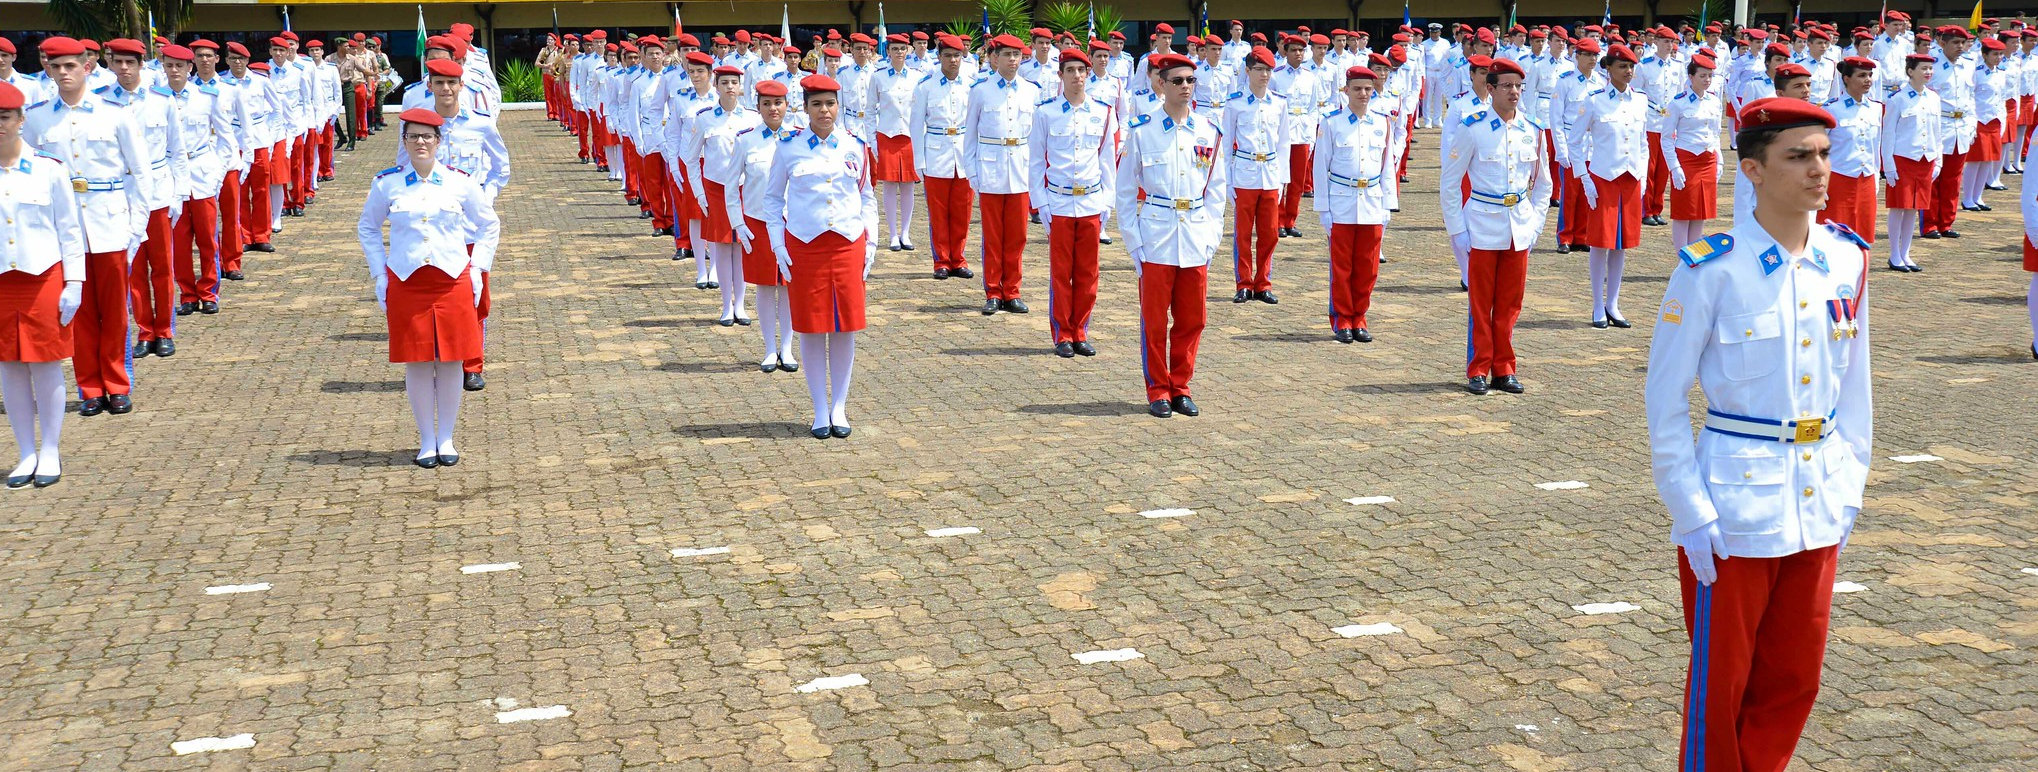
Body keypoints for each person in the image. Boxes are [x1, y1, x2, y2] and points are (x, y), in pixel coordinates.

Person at [1645, 97, 1872, 772]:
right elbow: (1664, 398)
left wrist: (1851, 485)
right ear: (1752, 169)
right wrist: (1689, 511)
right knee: (1723, 689)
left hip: (1817, 499)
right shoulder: (1712, 266)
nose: (1818, 171)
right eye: (1798, 157)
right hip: (1734, 508)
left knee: (1794, 681)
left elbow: (1855, 389)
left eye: (1824, 155)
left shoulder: (1846, 261)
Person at [356, 108, 500, 468]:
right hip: (407, 280)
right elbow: (368, 227)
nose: (420, 142)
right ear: (404, 141)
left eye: (427, 136)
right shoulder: (386, 183)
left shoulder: (459, 181)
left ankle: (447, 437)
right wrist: (380, 273)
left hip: (451, 279)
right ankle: (426, 440)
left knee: (451, 359)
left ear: (439, 141)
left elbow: (488, 225)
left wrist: (479, 268)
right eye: (413, 136)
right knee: (418, 361)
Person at [23, 36, 156, 416]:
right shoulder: (37, 118)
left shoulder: (114, 113)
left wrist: (136, 225)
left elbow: (140, 173)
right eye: (56, 66)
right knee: (76, 309)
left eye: (70, 66)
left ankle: (116, 383)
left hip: (110, 221)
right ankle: (89, 387)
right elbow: (30, 172)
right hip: (62, 230)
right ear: (47, 68)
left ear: (86, 66)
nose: (64, 73)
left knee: (114, 309)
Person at [761, 74, 878, 439]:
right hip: (805, 246)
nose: (824, 111)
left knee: (845, 327)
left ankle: (840, 407)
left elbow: (867, 197)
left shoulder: (855, 145)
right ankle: (818, 410)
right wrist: (778, 245)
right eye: (816, 104)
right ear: (805, 107)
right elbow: (771, 200)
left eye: (830, 104)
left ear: (837, 106)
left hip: (846, 244)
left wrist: (871, 243)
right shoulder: (788, 147)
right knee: (811, 328)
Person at [1115, 53, 1224, 419]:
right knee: (1155, 320)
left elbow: (1216, 191)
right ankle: (1158, 389)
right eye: (1177, 81)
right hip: (1157, 235)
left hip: (1194, 235)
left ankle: (1181, 386)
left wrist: (1212, 238)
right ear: (1160, 85)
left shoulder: (1209, 130)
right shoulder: (1142, 130)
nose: (1185, 87)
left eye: (1191, 81)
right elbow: (1126, 192)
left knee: (1193, 318)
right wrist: (1135, 242)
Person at [1441, 58, 1549, 393]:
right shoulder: (1473, 127)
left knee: (1510, 304)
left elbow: (1543, 184)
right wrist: (1458, 231)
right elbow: (1449, 182)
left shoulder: (1532, 129)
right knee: (1481, 301)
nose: (1514, 92)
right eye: (1506, 86)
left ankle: (1504, 368)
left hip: (1518, 225)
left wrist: (1536, 225)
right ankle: (1478, 367)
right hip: (1482, 225)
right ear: (1490, 89)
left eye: (1518, 86)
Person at [0, 81, 85, 488]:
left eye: (5, 117)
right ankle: (25, 453)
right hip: (2, 281)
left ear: (20, 120)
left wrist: (75, 283)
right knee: (10, 368)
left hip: (43, 277)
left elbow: (70, 230)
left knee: (46, 364)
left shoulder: (48, 169)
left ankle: (50, 449)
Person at [412, 58, 509, 391]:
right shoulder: (420, 127)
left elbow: (501, 168)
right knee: (435, 295)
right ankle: (443, 360)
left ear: (461, 86)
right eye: (439, 83)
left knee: (475, 296)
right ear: (430, 86)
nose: (446, 89)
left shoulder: (480, 125)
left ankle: (473, 364)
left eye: (452, 83)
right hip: (434, 227)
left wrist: (485, 198)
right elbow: (404, 168)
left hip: (471, 228)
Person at [1028, 47, 1115, 358]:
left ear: (1088, 74)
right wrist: (1042, 204)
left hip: (1091, 201)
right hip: (1060, 202)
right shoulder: (1045, 113)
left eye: (1082, 70)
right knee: (1061, 272)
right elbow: (1036, 162)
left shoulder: (1103, 112)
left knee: (1088, 273)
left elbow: (1107, 160)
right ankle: (1063, 333)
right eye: (1071, 70)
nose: (1077, 76)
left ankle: (1080, 330)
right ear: (1060, 75)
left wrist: (1108, 202)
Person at [104, 38, 188, 358]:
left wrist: (179, 193)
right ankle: (145, 330)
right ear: (110, 64)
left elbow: (176, 150)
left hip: (157, 192)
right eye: (118, 62)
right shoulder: (102, 102)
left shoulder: (161, 100)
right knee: (134, 266)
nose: (124, 69)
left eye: (131, 62)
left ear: (142, 65)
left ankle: (165, 329)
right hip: (121, 194)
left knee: (162, 266)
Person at [1314, 64, 1407, 346]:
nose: (1363, 94)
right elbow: (1320, 168)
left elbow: (1388, 167)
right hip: (1341, 201)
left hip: (1371, 202)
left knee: (1368, 267)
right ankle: (1343, 318)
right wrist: (1324, 210)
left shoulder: (1382, 123)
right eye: (1357, 89)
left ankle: (1360, 317)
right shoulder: (1331, 123)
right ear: (1346, 91)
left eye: (1368, 89)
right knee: (1342, 266)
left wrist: (1388, 206)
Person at [1572, 43, 1649, 329]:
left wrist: (1642, 177)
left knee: (1621, 244)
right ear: (1608, 69)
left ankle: (1613, 303)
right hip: (1603, 177)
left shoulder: (1640, 99)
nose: (1628, 71)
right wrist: (1584, 177)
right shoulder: (1594, 100)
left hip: (1630, 178)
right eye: (1622, 67)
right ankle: (1596, 305)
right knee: (1600, 243)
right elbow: (1575, 141)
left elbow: (1643, 142)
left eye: (1631, 66)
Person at [964, 34, 1042, 315]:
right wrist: (972, 173)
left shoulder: (1031, 91)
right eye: (1007, 54)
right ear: (995, 57)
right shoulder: (981, 91)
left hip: (1020, 169)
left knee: (1018, 236)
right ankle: (993, 291)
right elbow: (969, 135)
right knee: (993, 235)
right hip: (990, 169)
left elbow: (1038, 138)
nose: (1012, 60)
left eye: (1017, 55)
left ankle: (1013, 291)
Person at [160, 44, 237, 321]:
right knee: (179, 242)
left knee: (207, 238)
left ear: (189, 67)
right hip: (171, 176)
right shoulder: (156, 99)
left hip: (202, 172)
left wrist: (217, 173)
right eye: (169, 65)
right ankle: (188, 294)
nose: (174, 71)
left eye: (180, 66)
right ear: (163, 67)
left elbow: (226, 139)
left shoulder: (207, 97)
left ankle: (208, 292)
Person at [730, 80, 800, 373]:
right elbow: (730, 185)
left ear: (787, 105)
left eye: (778, 103)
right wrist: (738, 222)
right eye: (767, 104)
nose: (773, 109)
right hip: (758, 222)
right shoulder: (746, 140)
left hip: (792, 223)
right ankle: (769, 349)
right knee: (764, 287)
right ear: (758, 107)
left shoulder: (799, 138)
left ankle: (788, 348)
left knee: (789, 288)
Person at [686, 64, 761, 326]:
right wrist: (699, 193)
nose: (730, 87)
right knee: (721, 248)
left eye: (734, 82)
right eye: (725, 82)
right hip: (716, 189)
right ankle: (725, 306)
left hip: (744, 189)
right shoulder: (705, 117)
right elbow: (691, 158)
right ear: (716, 86)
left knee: (741, 247)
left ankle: (740, 304)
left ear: (741, 88)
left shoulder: (753, 118)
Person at [1222, 49, 1290, 305]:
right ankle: (1243, 283)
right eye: (1259, 69)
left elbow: (1284, 143)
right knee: (1242, 234)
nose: (1264, 75)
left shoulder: (1279, 102)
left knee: (1270, 233)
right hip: (1245, 172)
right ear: (1247, 71)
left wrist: (1283, 179)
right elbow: (1227, 144)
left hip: (1270, 173)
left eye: (1268, 70)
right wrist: (1228, 180)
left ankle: (1263, 282)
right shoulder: (1235, 103)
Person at [910, 35, 976, 280]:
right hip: (936, 153)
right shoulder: (926, 85)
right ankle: (942, 261)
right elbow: (916, 125)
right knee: (938, 213)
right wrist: (919, 161)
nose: (952, 60)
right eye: (947, 55)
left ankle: (958, 258)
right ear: (938, 58)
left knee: (963, 211)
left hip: (963, 153)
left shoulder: (971, 84)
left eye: (956, 55)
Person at [1882, 55, 1942, 272]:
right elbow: (1888, 134)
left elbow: (1937, 132)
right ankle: (1894, 254)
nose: (1928, 72)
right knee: (1899, 207)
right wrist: (1888, 164)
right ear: (1910, 71)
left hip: (1926, 159)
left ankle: (1906, 253)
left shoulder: (1934, 97)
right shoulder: (1897, 99)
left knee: (1914, 209)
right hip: (1903, 159)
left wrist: (1939, 161)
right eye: (1923, 68)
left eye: (1930, 69)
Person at [1661, 55, 1724, 249]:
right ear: (1691, 77)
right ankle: (1682, 258)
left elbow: (1715, 134)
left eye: (1710, 76)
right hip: (1687, 160)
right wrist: (1674, 167)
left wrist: (1719, 160)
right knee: (1683, 212)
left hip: (1708, 159)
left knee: (1701, 212)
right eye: (1702, 75)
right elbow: (1666, 138)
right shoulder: (1678, 103)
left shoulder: (1714, 101)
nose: (1707, 80)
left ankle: (1696, 255)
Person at [1820, 58, 1881, 249]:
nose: (1868, 80)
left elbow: (1875, 145)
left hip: (1866, 177)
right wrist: (1820, 183)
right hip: (1838, 179)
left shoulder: (1876, 108)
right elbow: (1819, 150)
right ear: (1846, 78)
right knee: (1833, 235)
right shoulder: (1831, 109)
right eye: (1861, 75)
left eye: (1870, 75)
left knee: (1863, 235)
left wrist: (1876, 177)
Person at [869, 37, 922, 251]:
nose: (899, 52)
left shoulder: (918, 78)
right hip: (887, 135)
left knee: (908, 185)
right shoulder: (879, 77)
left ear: (908, 50)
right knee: (889, 186)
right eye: (894, 49)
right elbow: (870, 111)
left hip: (910, 135)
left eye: (902, 48)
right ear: (888, 52)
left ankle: (906, 233)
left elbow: (922, 111)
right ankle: (892, 234)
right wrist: (873, 141)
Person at [1271, 36, 1321, 238]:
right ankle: (1277, 220)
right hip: (1283, 133)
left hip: (1302, 131)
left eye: (1301, 50)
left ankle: (1291, 220)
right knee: (1281, 178)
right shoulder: (1276, 76)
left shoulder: (1310, 77)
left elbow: (1313, 108)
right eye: (1293, 50)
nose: (1298, 54)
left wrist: (1311, 134)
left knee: (1297, 181)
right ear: (1286, 51)